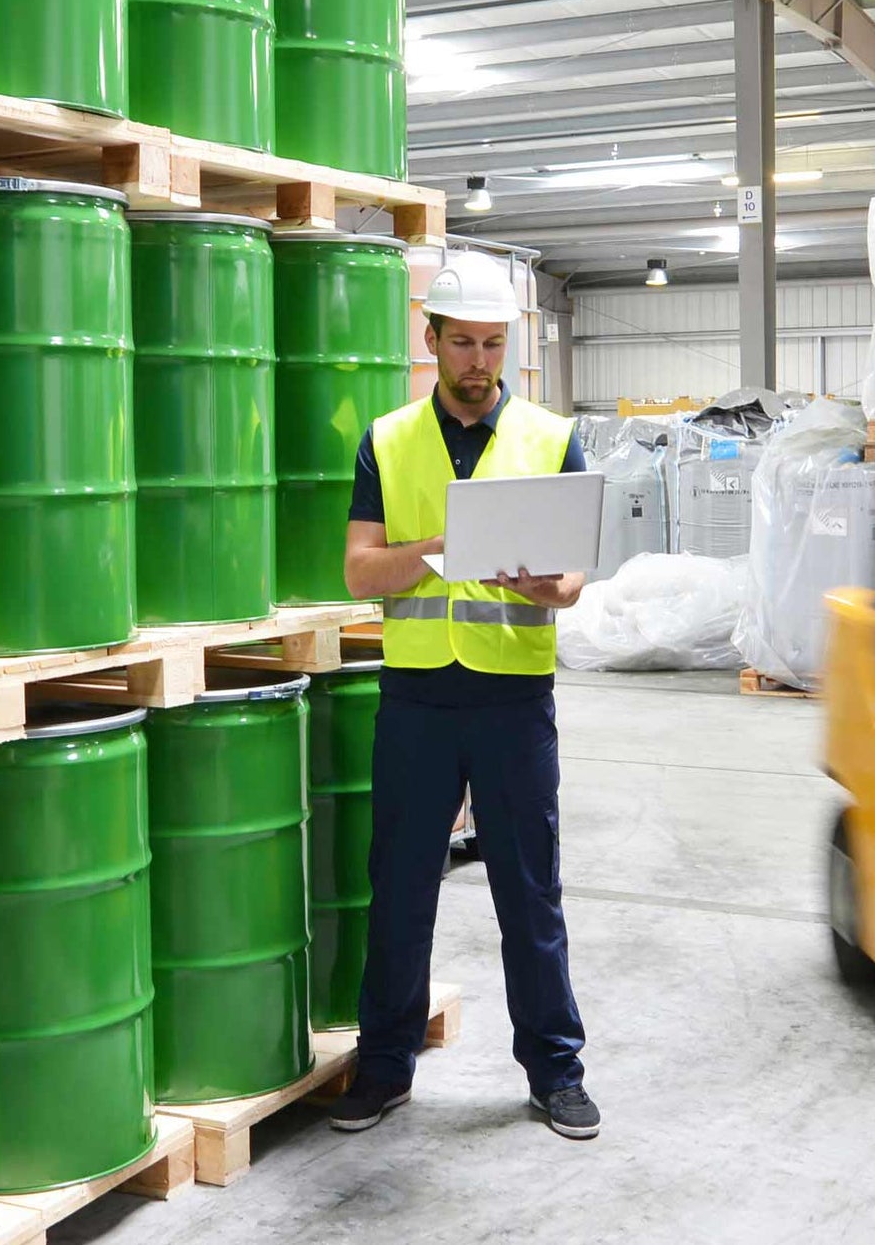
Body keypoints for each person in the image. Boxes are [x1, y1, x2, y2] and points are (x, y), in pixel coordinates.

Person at [324, 250, 603, 1141]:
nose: (480, 362)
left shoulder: (553, 437)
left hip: (514, 700)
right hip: (415, 699)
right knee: (400, 888)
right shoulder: (387, 439)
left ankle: (555, 1071)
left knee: (530, 891)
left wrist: (548, 591)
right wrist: (439, 545)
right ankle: (383, 1067)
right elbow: (361, 569)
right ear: (432, 340)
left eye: (493, 345)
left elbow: (572, 581)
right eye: (464, 344)